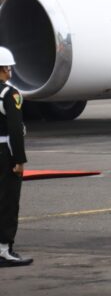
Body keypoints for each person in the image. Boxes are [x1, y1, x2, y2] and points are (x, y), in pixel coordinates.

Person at [0, 47, 33, 267]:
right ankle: (4, 250)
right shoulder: (9, 93)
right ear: (4, 68)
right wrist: (19, 160)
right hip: (5, 152)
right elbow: (14, 129)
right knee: (8, 202)